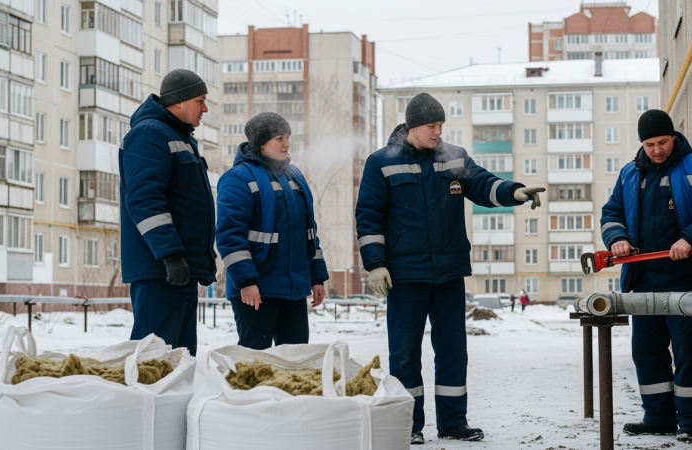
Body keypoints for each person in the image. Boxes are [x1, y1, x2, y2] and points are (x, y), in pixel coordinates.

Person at [356, 93, 545, 445]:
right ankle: (408, 424)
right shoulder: (381, 162)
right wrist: (376, 265)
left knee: (453, 351)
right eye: (432, 125)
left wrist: (514, 192)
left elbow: (484, 184)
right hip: (405, 276)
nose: (438, 132)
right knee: (404, 354)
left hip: (449, 275)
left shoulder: (454, 157)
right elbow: (368, 217)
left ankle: (454, 422)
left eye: (441, 125)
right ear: (413, 126)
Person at [600, 109, 692, 442]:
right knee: (646, 352)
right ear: (642, 144)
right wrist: (617, 238)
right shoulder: (629, 174)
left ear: (673, 137)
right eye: (649, 144)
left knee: (689, 352)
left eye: (662, 142)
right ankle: (658, 417)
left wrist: (691, 238)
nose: (657, 149)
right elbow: (611, 213)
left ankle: (690, 422)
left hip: (687, 280)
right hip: (643, 281)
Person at [120, 69, 217, 356]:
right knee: (154, 361)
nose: (205, 109)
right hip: (161, 269)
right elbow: (144, 200)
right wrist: (170, 255)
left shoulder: (179, 137)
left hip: (180, 269)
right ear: (178, 101)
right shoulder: (150, 134)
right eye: (200, 101)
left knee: (180, 360)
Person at [215, 112, 328, 350]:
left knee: (296, 360)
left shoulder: (295, 176)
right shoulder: (238, 178)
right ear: (261, 143)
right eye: (279, 138)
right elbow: (229, 236)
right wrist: (246, 281)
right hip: (256, 290)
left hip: (294, 290)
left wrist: (317, 277)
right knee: (255, 360)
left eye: (287, 137)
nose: (287, 143)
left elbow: (309, 234)